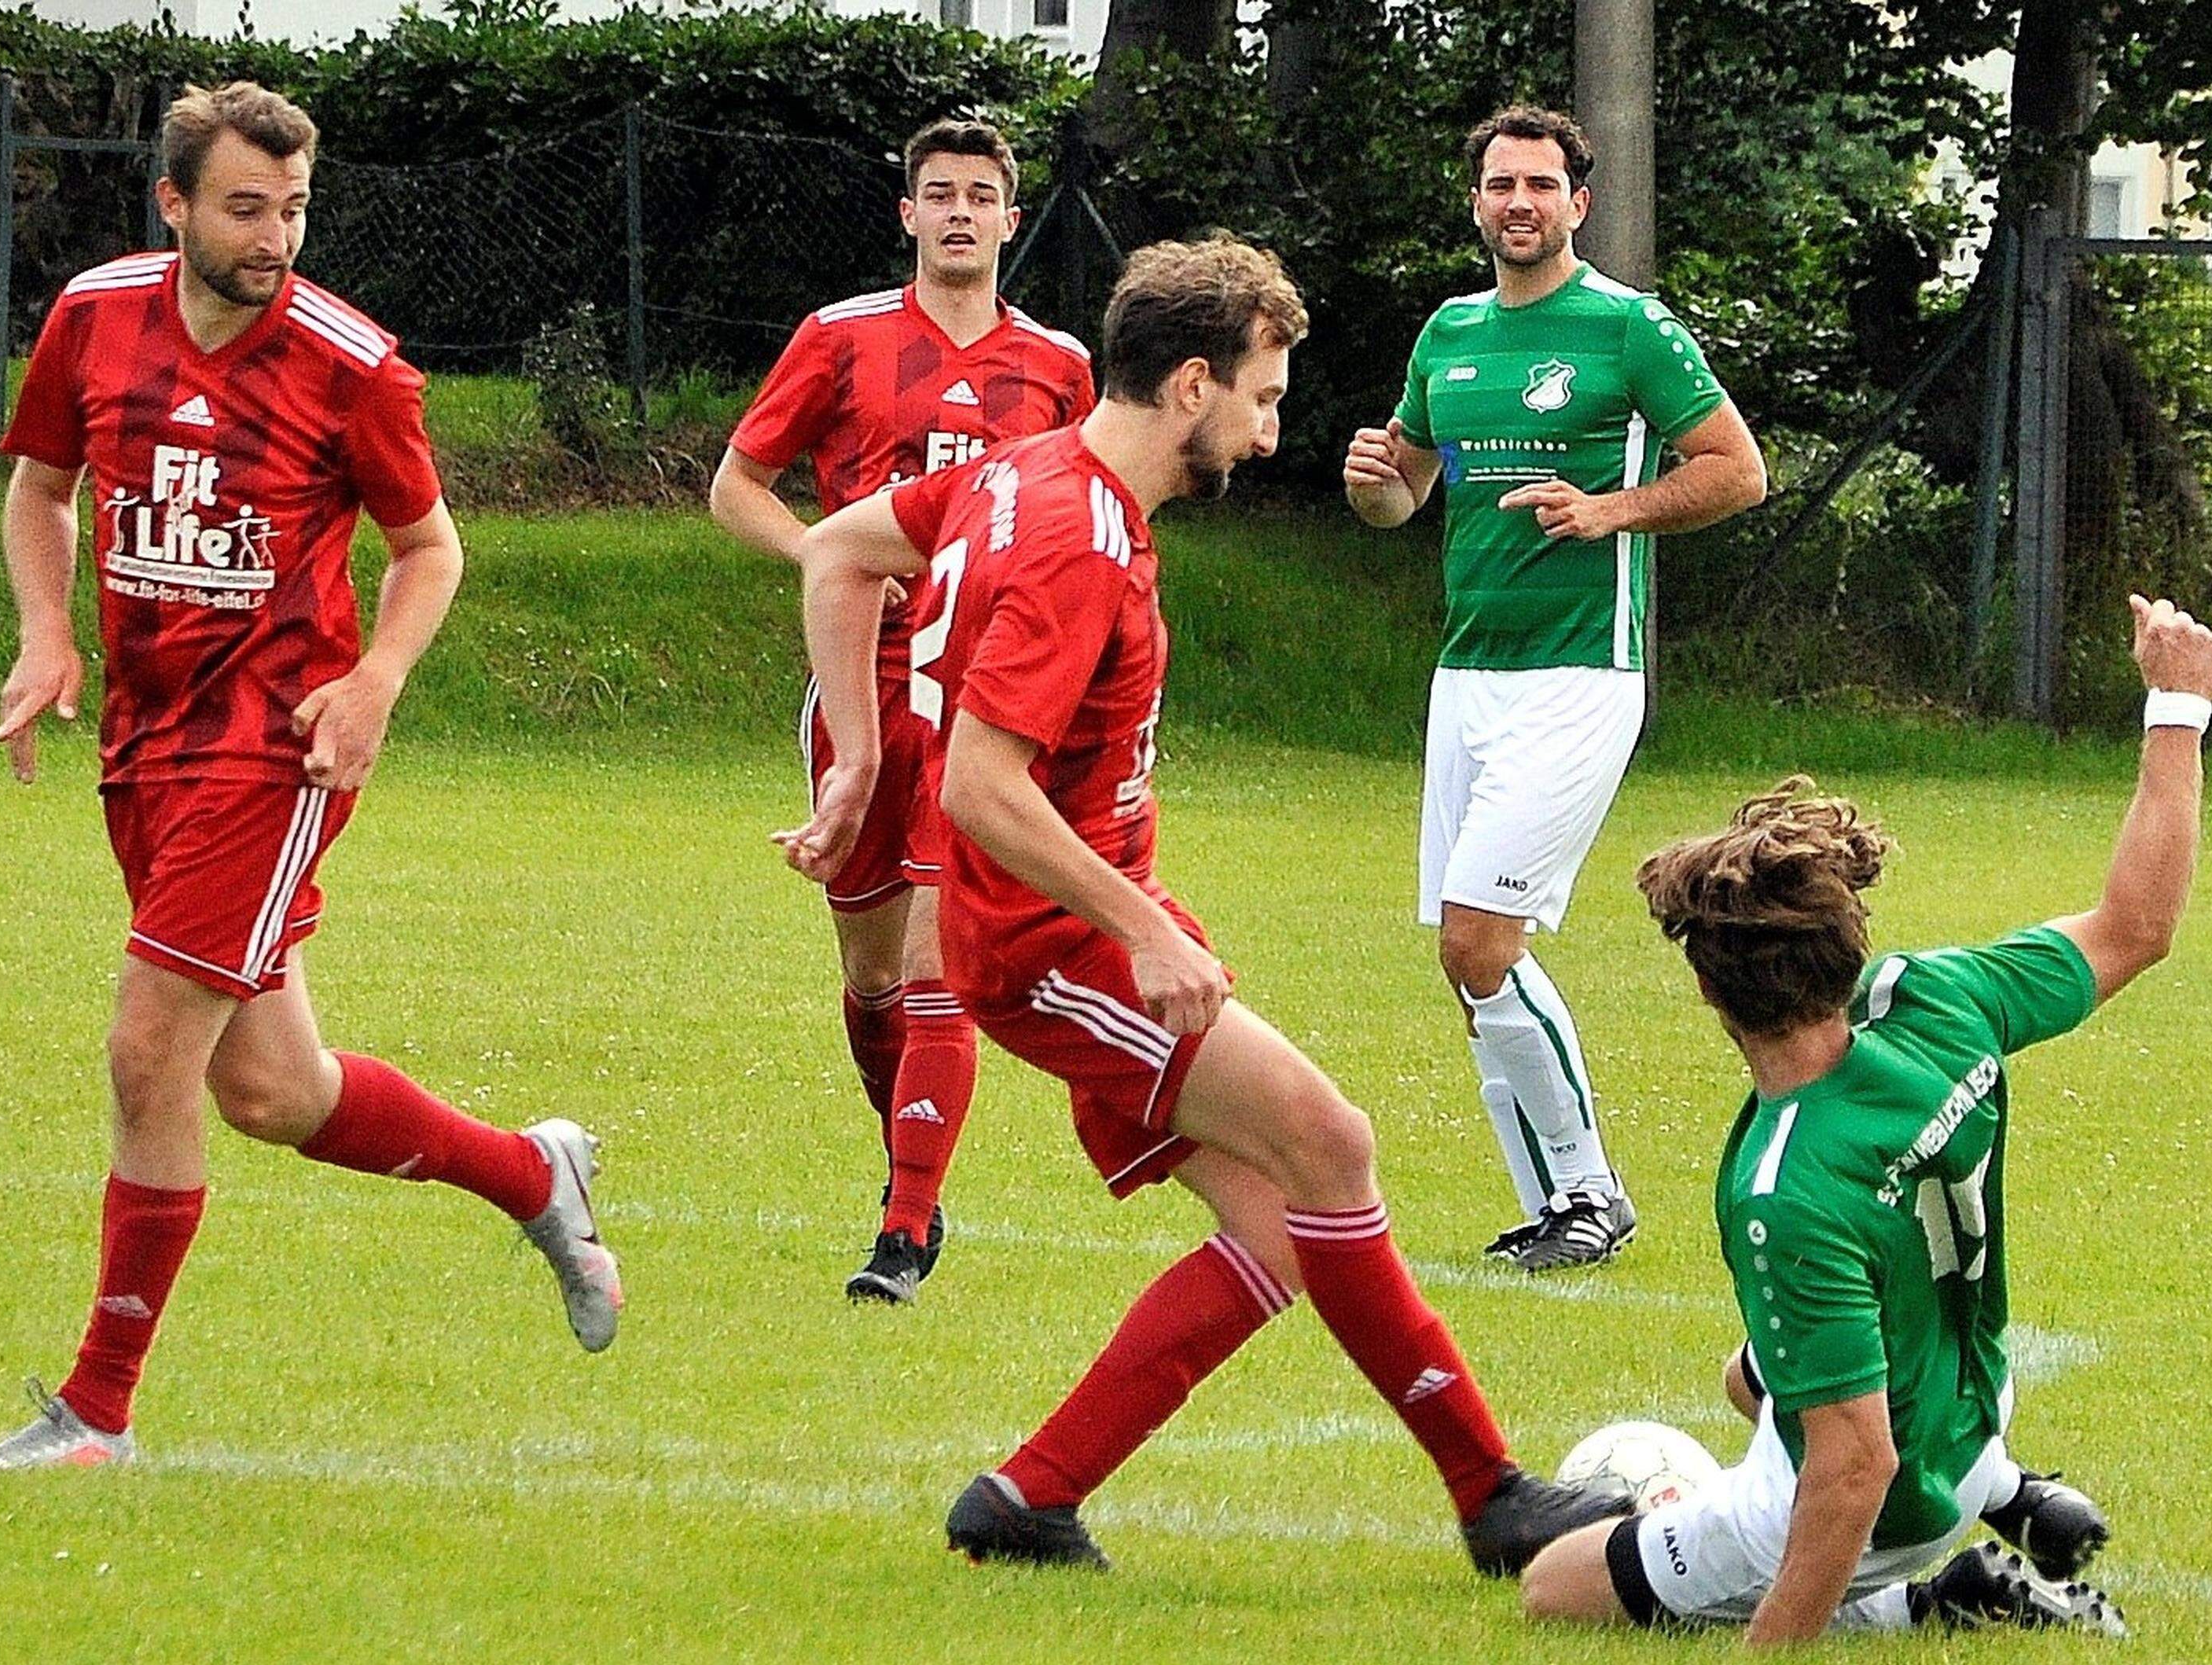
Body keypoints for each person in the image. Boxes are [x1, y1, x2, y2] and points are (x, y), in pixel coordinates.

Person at [778, 236, 1626, 1575]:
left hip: (1072, 926)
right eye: (1266, 397)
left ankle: (1026, 1501)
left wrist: (863, 759)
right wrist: (1144, 928)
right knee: (1332, 1148)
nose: (1274, 431)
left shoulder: (1023, 472)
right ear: (1189, 385)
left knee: (1285, 1233)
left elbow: (836, 551)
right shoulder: (1071, 539)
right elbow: (992, 793)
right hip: (1049, 947)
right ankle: (1493, 1499)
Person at [0, 83, 620, 1470]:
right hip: (148, 744)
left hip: (275, 750)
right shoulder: (93, 315)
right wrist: (47, 632)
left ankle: (97, 1414)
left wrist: (375, 684)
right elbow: (39, 486)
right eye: (246, 209)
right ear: (175, 206)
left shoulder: (350, 364)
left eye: (295, 209)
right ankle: (531, 1171)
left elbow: (430, 548)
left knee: (149, 1056)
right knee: (271, 1091)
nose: (276, 237)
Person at [1513, 594, 2212, 1644]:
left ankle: (1936, 1602)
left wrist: (1770, 1656)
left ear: (1712, 995)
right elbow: (2138, 926)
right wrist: (2176, 703)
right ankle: (2009, 1493)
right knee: (1748, 1375)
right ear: (1847, 947)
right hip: (1975, 1398)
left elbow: (1851, 1472)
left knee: (1553, 1587)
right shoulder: (1936, 1000)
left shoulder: (1783, 1186)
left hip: (1892, 1496)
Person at [1343, 105, 1767, 1272]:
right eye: (1500, 185)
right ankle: (1561, 1206)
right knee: (1466, 953)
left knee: (1484, 939)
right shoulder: (1448, 333)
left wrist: (1612, 511)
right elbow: (1406, 496)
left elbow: (1739, 470)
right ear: (1476, 203)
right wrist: (1373, 480)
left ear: (1579, 203)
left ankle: (1591, 1193)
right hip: (1465, 675)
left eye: (1542, 184)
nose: (1519, 203)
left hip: (1582, 673)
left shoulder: (1629, 327)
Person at [711, 118, 1095, 1303]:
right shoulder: (841, 338)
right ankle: (908, 1160)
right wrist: (833, 558)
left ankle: (905, 1224)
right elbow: (737, 487)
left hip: (985, 690)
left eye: (984, 194)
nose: (962, 213)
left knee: (940, 958)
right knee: (873, 975)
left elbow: (1085, 509)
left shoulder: (1059, 366)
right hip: (861, 686)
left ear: (1011, 218)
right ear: (909, 215)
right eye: (941, 194)